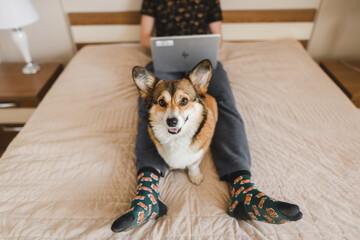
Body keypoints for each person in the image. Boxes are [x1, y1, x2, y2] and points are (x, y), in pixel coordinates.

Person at [111, 0, 302, 232]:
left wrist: (199, 54)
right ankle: (147, 194)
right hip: (163, 63)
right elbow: (144, 36)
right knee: (148, 111)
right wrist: (165, 48)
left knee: (226, 104)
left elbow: (217, 38)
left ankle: (243, 190)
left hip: (201, 64)